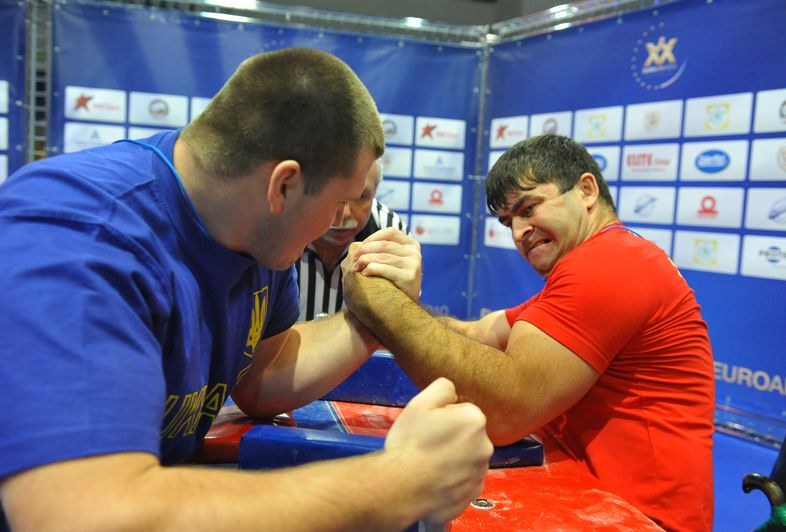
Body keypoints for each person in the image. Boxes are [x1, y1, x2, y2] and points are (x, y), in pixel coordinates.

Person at [0, 47, 493, 530]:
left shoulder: (254, 231)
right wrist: (399, 481)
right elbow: (82, 513)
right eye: (341, 200)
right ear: (283, 186)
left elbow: (261, 375)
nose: (345, 221)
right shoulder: (80, 235)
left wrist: (373, 318)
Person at [343, 134, 716, 531]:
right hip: (598, 501)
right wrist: (392, 311)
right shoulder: (598, 263)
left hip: (642, 518)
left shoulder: (611, 264)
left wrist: (382, 304)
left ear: (586, 190)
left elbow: (509, 411)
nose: (519, 231)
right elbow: (479, 332)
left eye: (529, 207)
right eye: (508, 221)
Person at [295, 160, 408, 321]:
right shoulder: (282, 226)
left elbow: (397, 325)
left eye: (361, 196)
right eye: (332, 193)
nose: (345, 213)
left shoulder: (389, 232)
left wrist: (406, 303)